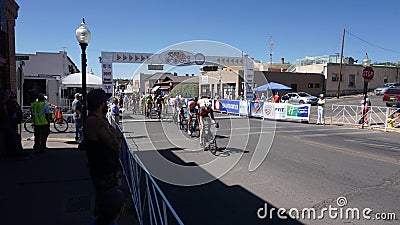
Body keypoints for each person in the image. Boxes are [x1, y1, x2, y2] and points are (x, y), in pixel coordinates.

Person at [82, 89, 123, 216]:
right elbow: (116, 145)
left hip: (103, 169)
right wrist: (118, 136)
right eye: (105, 102)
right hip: (104, 171)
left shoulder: (97, 120)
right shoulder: (97, 122)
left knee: (104, 204)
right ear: (101, 105)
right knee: (107, 207)